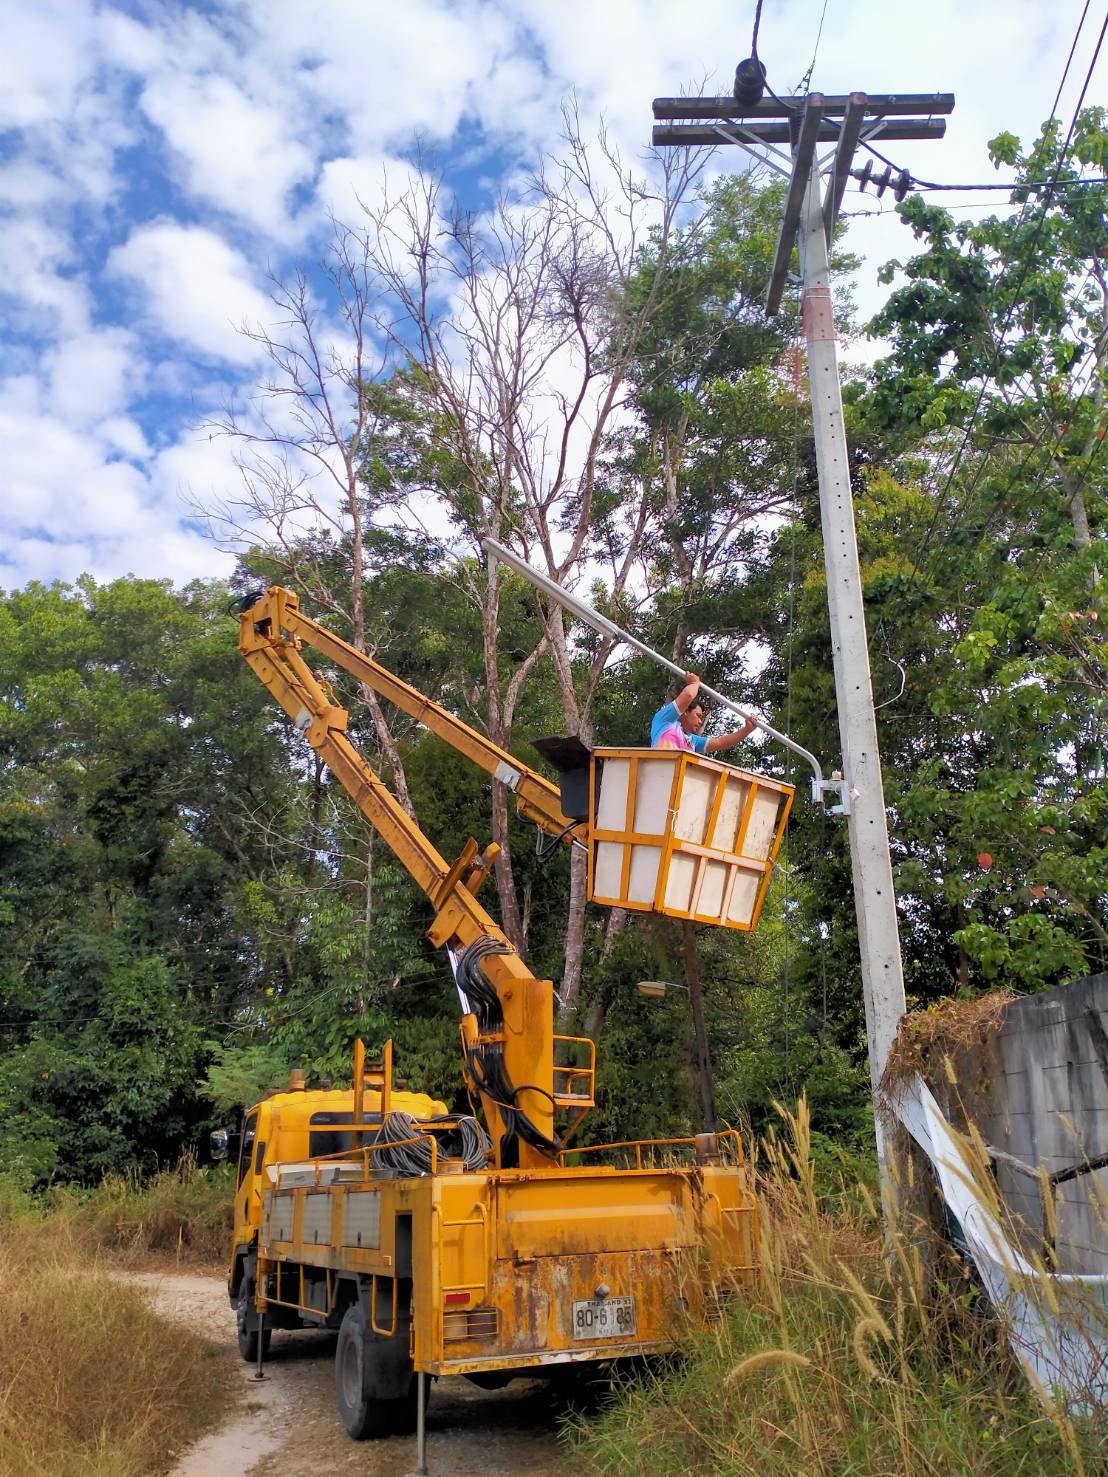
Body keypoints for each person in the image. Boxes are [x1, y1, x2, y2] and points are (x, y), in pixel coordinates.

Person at [650, 671, 756, 755]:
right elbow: (688, 696)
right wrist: (694, 683)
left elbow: (720, 743)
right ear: (686, 711)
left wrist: (747, 730)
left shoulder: (692, 740)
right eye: (698, 716)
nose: (700, 721)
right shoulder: (665, 720)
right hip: (660, 775)